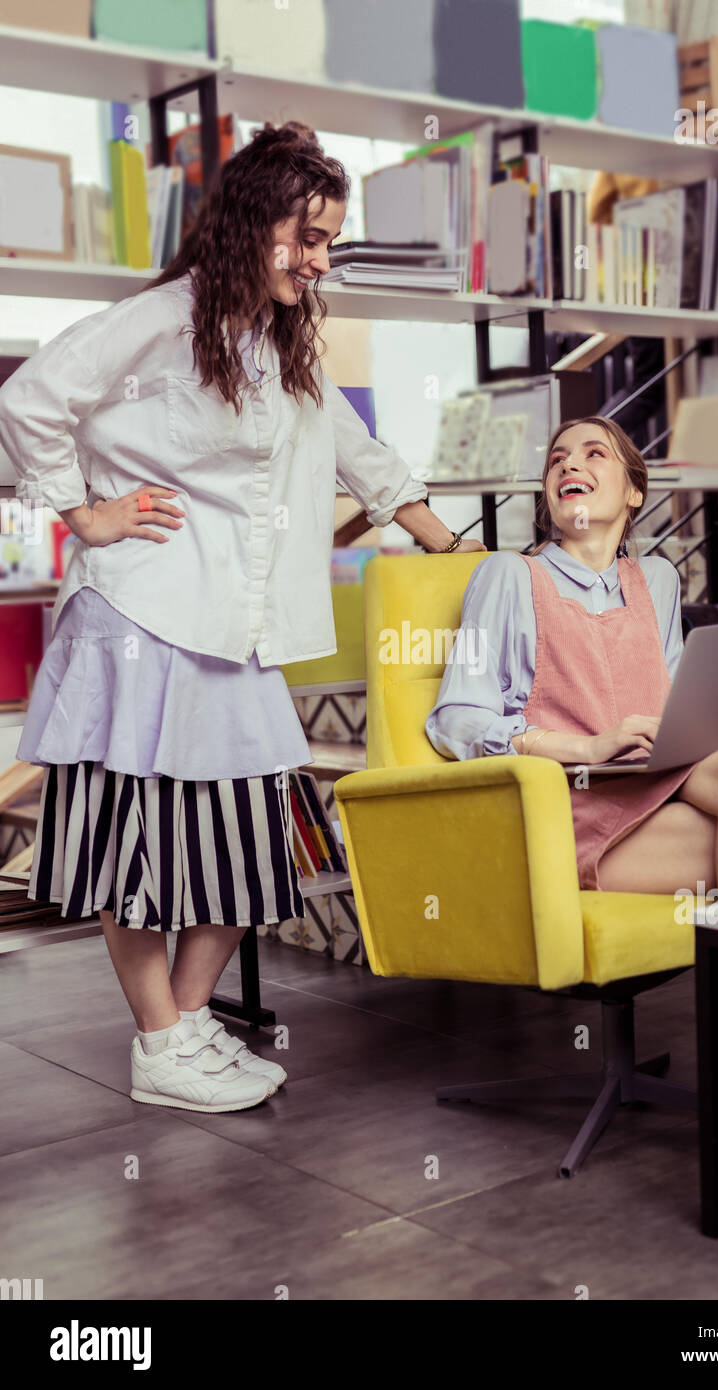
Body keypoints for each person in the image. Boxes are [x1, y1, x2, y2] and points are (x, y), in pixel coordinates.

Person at [0, 120, 483, 1116]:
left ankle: (180, 1027)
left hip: (236, 628)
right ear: (252, 224)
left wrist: (459, 554)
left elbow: (365, 458)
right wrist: (87, 512)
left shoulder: (282, 346)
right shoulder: (160, 320)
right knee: (123, 842)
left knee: (257, 833)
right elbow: (31, 401)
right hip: (139, 612)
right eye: (305, 238)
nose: (318, 261)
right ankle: (162, 1037)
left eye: (328, 243)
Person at [426, 415, 718, 1170]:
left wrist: (692, 723)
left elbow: (670, 698)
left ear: (631, 491)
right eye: (558, 458)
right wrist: (581, 745)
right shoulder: (507, 576)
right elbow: (456, 715)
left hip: (662, 785)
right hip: (580, 809)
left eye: (595, 454)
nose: (570, 465)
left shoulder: (654, 578)